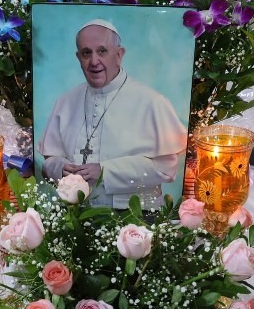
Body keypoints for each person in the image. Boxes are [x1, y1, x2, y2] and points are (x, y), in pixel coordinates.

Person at [38, 19, 187, 209]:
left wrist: (104, 171)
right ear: (78, 57)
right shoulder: (65, 101)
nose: (94, 61)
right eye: (86, 53)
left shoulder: (152, 102)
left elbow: (165, 169)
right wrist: (60, 168)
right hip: (75, 213)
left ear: (119, 55)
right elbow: (50, 158)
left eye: (102, 51)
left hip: (136, 213)